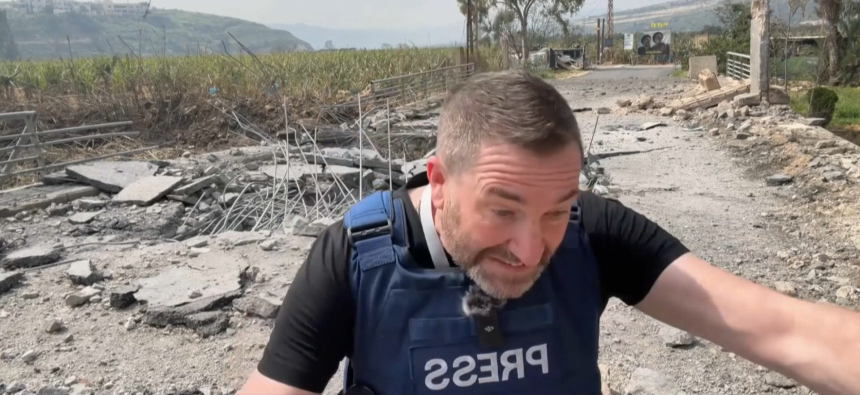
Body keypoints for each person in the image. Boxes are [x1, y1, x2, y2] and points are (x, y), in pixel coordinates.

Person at [239, 71, 860, 395]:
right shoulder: (357, 256)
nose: (531, 249)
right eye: (502, 210)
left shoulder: (597, 233)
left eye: (556, 210)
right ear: (440, 180)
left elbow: (782, 330)